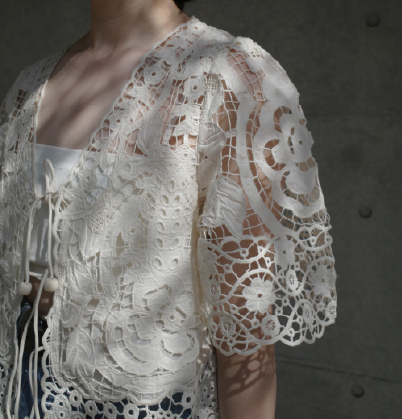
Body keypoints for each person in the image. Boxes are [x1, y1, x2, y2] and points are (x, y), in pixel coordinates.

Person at [0, 0, 339, 418]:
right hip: (15, 379)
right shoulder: (30, 86)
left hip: (143, 398)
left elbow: (245, 323)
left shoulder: (226, 75)